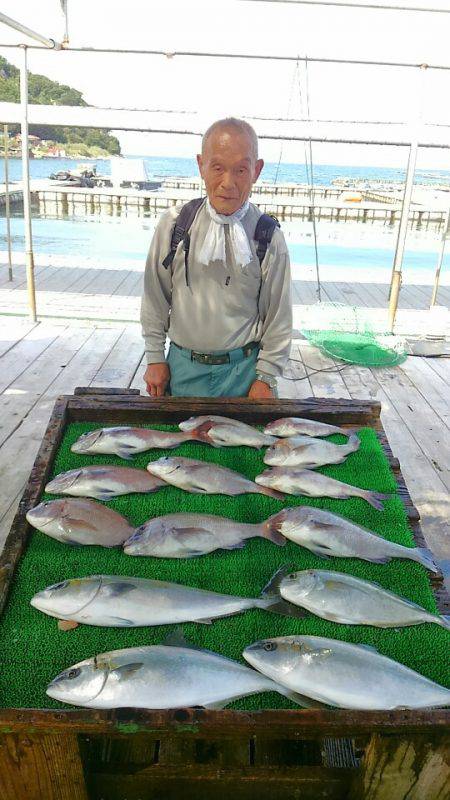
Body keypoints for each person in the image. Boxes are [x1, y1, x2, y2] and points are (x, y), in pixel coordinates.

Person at [141, 117, 292, 398]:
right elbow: (155, 297)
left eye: (241, 170)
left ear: (257, 170)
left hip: (245, 374)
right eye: (218, 168)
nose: (228, 183)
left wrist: (267, 377)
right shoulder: (174, 225)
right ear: (201, 165)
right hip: (182, 368)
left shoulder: (269, 237)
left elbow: (279, 318)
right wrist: (154, 357)